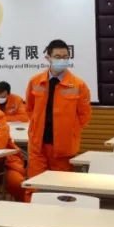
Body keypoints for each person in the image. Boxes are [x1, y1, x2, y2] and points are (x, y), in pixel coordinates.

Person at [24, 40, 91, 179]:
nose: (62, 60)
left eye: (65, 57)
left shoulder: (79, 85)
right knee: (35, 185)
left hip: (64, 148)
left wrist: (69, 131)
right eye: (57, 56)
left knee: (61, 186)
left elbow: (84, 116)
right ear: (48, 58)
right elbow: (29, 109)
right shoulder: (35, 81)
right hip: (38, 146)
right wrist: (37, 125)